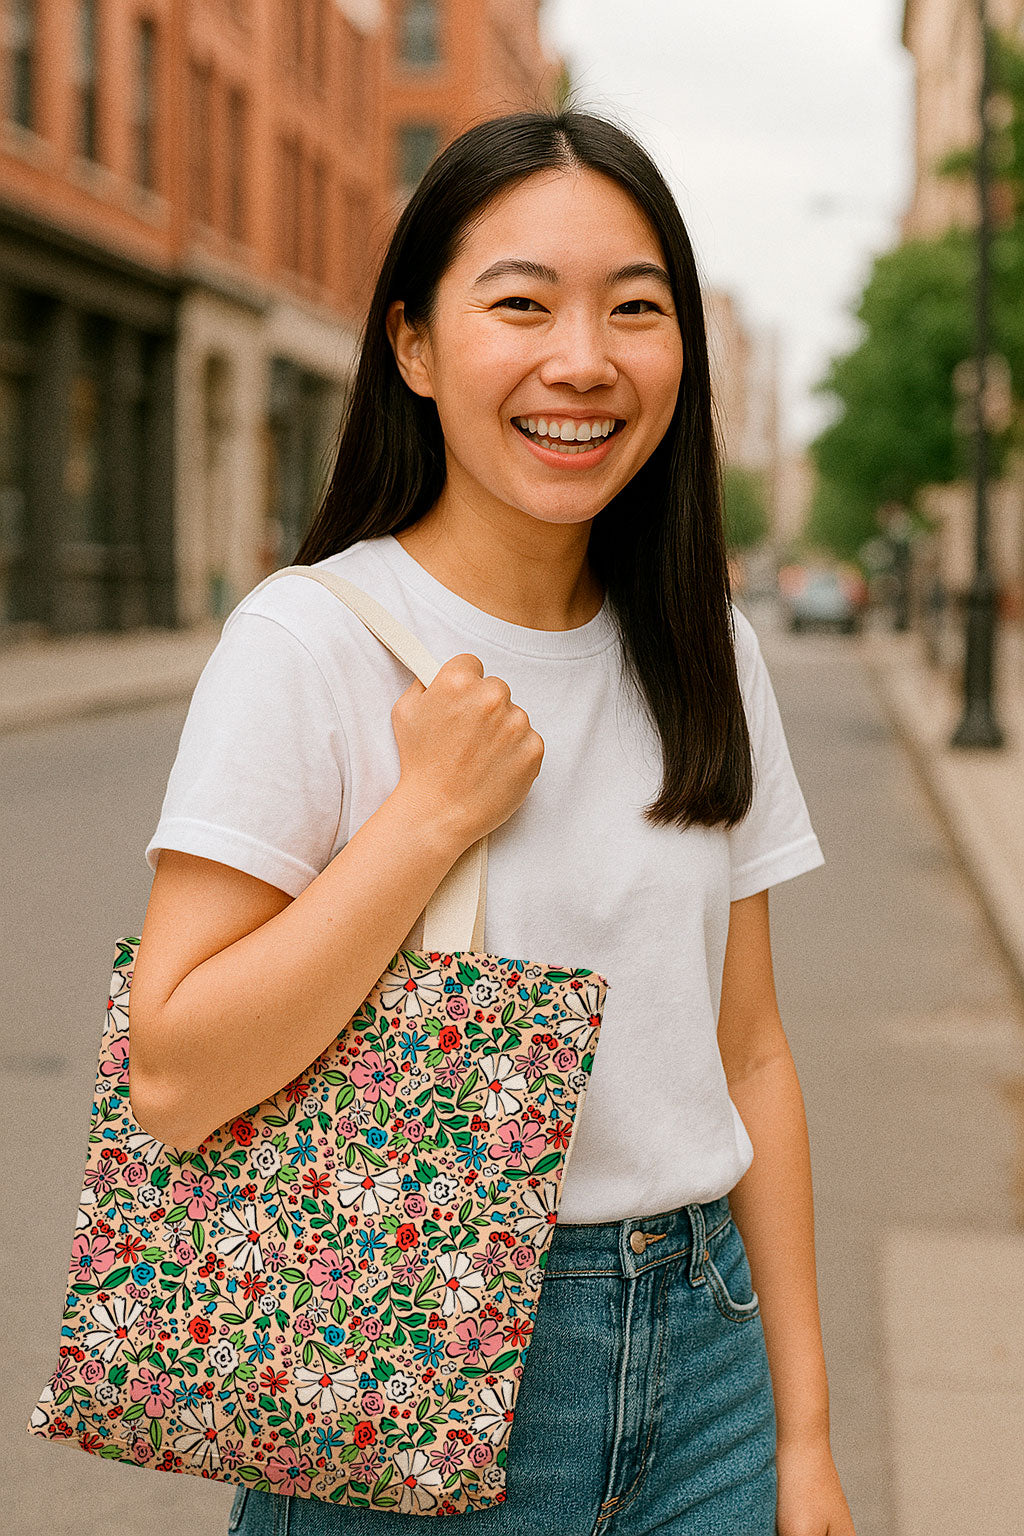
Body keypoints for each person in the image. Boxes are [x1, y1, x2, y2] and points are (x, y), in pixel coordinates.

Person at [129, 109, 854, 1536]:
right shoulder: (310, 641)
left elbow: (752, 1052)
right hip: (409, 1344)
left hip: (705, 1362)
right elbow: (175, 1072)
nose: (582, 361)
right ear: (413, 346)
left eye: (635, 309)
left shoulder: (704, 647)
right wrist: (424, 822)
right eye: (521, 304)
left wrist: (805, 1434)